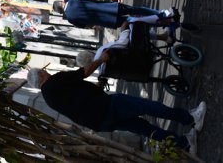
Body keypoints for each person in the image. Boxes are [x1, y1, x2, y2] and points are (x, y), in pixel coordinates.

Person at [27, 58, 206, 154]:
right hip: (106, 106)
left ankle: (185, 144)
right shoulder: (54, 81)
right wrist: (101, 59)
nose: (46, 71)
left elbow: (75, 100)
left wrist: (93, 91)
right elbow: (83, 72)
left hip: (100, 122)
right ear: (41, 75)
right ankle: (190, 118)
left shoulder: (48, 98)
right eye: (44, 71)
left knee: (144, 128)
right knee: (147, 106)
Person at [52, 0, 176, 29]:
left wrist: (96, 22)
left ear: (60, 11)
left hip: (109, 22)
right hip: (111, 8)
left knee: (138, 23)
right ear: (62, 2)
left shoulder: (71, 19)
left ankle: (166, 23)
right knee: (137, 10)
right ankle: (163, 14)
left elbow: (88, 26)